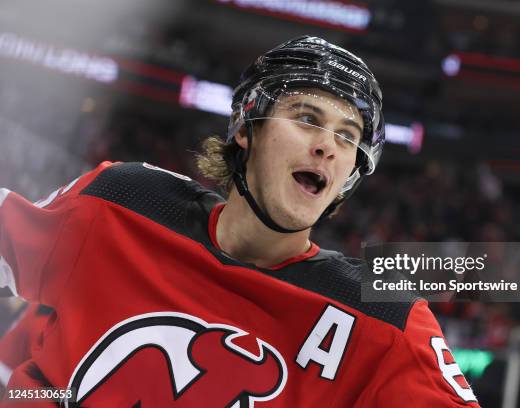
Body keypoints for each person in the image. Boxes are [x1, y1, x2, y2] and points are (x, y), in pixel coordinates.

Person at [0, 36, 479, 407]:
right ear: (247, 129)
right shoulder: (120, 200)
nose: (328, 145)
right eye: (307, 118)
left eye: (347, 136)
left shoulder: (385, 320)